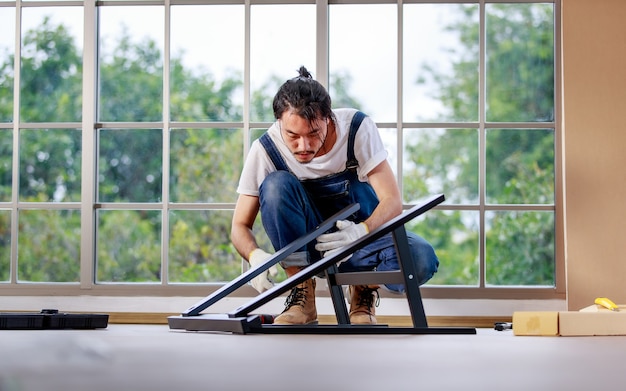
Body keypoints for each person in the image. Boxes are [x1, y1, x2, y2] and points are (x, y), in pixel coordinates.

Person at [230, 66, 439, 325]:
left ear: (328, 118)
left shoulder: (356, 128)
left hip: (361, 242)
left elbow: (392, 201)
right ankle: (301, 292)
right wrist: (254, 256)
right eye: (293, 136)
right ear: (279, 123)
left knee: (420, 258)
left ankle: (363, 289)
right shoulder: (265, 148)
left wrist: (360, 231)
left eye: (313, 133)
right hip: (308, 249)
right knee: (275, 186)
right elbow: (239, 225)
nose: (303, 146)